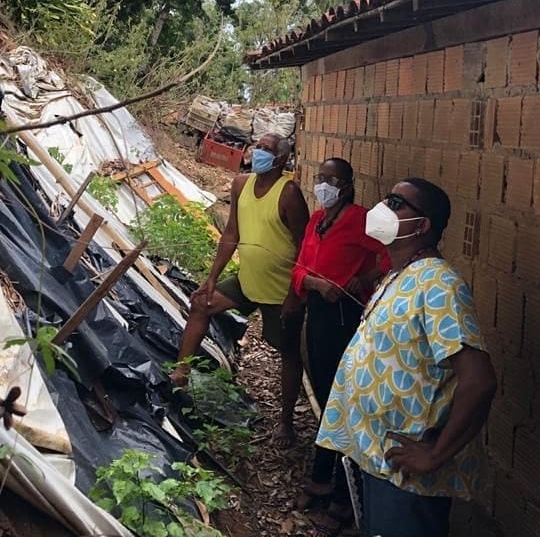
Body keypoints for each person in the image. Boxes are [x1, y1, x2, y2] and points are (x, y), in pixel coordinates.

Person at [315, 178, 497, 537]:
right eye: (387, 198)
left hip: (407, 476)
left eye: (396, 203)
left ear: (422, 225)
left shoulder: (439, 284)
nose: (383, 208)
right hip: (375, 459)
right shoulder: (398, 275)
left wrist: (434, 454)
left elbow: (480, 382)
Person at [170, 133, 309, 448]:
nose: (258, 152)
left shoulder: (288, 194)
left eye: (267, 149)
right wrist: (211, 277)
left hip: (279, 289)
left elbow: (305, 247)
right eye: (257, 146)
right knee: (201, 304)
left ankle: (286, 422)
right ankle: (180, 373)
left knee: (287, 350)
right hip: (247, 280)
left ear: (283, 159)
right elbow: (231, 233)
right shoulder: (241, 184)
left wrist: (294, 295)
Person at [290, 158, 391, 536]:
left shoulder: (360, 220)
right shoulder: (317, 221)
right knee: (324, 392)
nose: (323, 185)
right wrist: (316, 285)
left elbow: (387, 256)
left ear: (348, 185)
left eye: (331, 180)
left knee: (343, 398)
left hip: (345, 315)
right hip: (318, 312)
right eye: (320, 178)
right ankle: (320, 476)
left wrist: (363, 279)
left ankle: (342, 495)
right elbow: (299, 267)